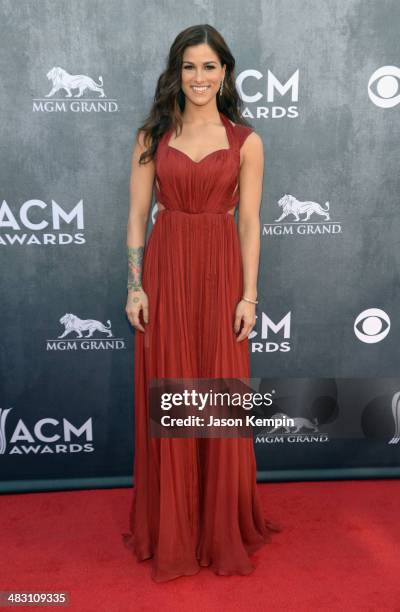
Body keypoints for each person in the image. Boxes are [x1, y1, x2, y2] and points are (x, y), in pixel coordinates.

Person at [122, 23, 281, 583]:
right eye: (189, 66)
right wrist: (135, 286)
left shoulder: (247, 141)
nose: (199, 77)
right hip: (165, 275)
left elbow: (251, 223)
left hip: (219, 276)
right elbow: (138, 217)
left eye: (209, 66)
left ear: (225, 73)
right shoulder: (152, 138)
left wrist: (249, 296)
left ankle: (217, 528)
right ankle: (174, 529)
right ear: (176, 72)